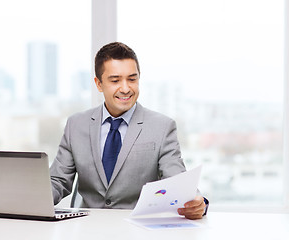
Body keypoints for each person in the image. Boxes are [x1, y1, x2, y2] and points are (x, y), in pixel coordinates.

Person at [50, 42, 208, 219]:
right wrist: (31, 197)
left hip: (138, 229)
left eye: (132, 79)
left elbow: (177, 179)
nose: (125, 88)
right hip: (86, 228)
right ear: (99, 84)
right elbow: (58, 181)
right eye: (115, 80)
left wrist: (195, 201)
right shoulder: (76, 124)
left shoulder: (162, 127)